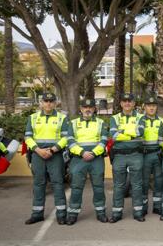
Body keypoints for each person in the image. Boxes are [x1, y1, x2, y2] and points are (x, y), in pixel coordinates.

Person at [24, 92, 72, 225]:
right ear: (41, 103)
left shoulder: (62, 118)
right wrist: (38, 150)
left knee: (58, 183)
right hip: (38, 154)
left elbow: (66, 137)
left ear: (55, 103)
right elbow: (27, 137)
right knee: (39, 184)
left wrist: (52, 150)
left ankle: (61, 215)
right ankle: (37, 214)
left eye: (51, 101)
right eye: (46, 101)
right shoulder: (33, 118)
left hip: (55, 154)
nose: (48, 103)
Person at [66, 99, 108, 224]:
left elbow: (104, 140)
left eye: (90, 107)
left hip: (96, 159)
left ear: (94, 109)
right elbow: (70, 141)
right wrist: (82, 152)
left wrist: (94, 153)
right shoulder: (73, 123)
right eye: (85, 107)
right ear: (81, 108)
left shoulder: (101, 123)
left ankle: (101, 213)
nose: (87, 109)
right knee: (76, 187)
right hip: (79, 159)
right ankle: (73, 214)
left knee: (99, 187)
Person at [109, 93, 145, 223]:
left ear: (134, 103)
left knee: (137, 185)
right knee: (118, 185)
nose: (127, 103)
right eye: (124, 101)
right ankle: (117, 213)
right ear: (121, 103)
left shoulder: (141, 117)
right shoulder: (115, 118)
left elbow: (140, 132)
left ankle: (138, 212)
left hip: (136, 154)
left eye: (130, 101)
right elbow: (113, 135)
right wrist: (130, 135)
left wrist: (122, 132)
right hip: (119, 155)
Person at [139, 96, 163, 215]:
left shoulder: (162, 121)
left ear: (156, 107)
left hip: (158, 154)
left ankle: (157, 206)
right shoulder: (139, 120)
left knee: (158, 181)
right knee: (144, 182)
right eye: (149, 105)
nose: (151, 108)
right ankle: (144, 207)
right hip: (144, 154)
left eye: (154, 105)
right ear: (145, 107)